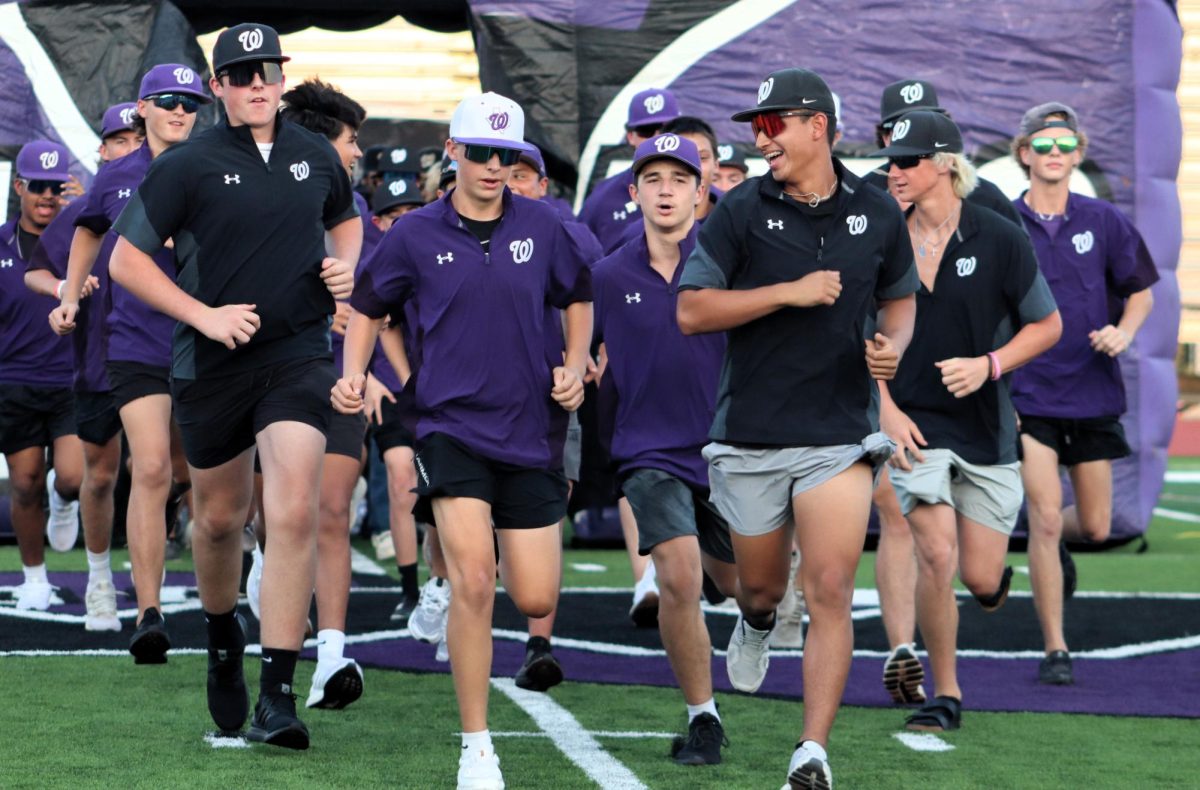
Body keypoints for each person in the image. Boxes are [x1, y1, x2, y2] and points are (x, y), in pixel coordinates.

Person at [109, 23, 360, 749]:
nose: (257, 84)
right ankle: (223, 637)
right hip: (210, 366)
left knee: (291, 510)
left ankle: (277, 695)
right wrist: (203, 316)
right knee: (219, 520)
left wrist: (343, 269)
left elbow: (344, 222)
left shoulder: (316, 154)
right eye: (240, 74)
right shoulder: (187, 164)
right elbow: (128, 260)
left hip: (299, 355)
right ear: (217, 87)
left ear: (284, 79)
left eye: (267, 72)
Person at [334, 91, 592, 790]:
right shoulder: (414, 233)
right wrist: (355, 376)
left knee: (534, 596)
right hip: (448, 427)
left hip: (533, 429)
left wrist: (573, 363)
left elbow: (578, 296)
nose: (491, 167)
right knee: (475, 578)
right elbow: (367, 306)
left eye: (505, 155)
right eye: (479, 152)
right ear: (453, 151)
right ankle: (476, 746)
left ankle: (471, 622)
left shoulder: (544, 223)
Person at [676, 68, 917, 789]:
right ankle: (752, 624)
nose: (760, 137)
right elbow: (691, 310)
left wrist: (892, 348)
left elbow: (900, 304)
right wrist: (790, 292)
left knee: (832, 587)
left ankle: (810, 753)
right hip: (751, 432)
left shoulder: (878, 211)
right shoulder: (741, 208)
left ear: (818, 125)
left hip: (838, 433)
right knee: (759, 591)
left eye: (772, 123)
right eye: (755, 126)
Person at [876, 110, 1061, 732]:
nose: (894, 172)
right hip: (912, 424)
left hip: (986, 424)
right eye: (891, 162)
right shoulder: (880, 234)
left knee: (979, 576)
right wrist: (886, 408)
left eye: (906, 162)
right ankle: (945, 694)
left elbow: (1048, 325)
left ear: (945, 164)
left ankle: (988, 586)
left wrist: (990, 366)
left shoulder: (999, 233)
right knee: (935, 552)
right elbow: (852, 332)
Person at [54, 65, 210, 661]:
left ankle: (233, 552)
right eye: (168, 101)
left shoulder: (218, 168)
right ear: (141, 108)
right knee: (146, 469)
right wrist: (70, 295)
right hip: (136, 342)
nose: (180, 111)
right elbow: (88, 231)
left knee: (185, 474)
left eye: (191, 103)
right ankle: (149, 612)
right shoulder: (115, 176)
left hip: (205, 337)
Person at [594, 133, 738, 764]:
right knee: (677, 575)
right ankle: (703, 717)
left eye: (679, 180)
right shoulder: (605, 273)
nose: (666, 191)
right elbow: (576, 346)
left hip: (731, 449)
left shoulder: (731, 262)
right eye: (653, 179)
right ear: (634, 193)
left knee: (745, 591)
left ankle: (754, 610)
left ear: (701, 193)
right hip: (648, 452)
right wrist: (578, 369)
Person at [1009, 102, 1158, 686]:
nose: (1053, 154)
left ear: (1078, 153)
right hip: (1028, 394)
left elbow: (1141, 291)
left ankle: (1055, 551)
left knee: (1095, 526)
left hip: (1093, 391)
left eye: (1064, 144)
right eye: (1042, 144)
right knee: (1044, 519)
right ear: (1024, 153)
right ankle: (1055, 648)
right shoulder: (1002, 221)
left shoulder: (1104, 219)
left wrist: (1126, 330)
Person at [275, 76, 372, 709]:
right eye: (351, 140)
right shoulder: (265, 200)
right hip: (270, 381)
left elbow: (379, 301)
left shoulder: (356, 213)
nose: (358, 153)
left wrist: (364, 347)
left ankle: (331, 656)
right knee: (273, 518)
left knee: (332, 510)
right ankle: (268, 580)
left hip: (340, 380)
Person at [29, 103, 141, 633]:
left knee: (178, 474)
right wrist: (67, 291)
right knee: (95, 474)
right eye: (117, 140)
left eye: (134, 137)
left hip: (167, 351)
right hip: (99, 354)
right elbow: (41, 269)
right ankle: (100, 582)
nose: (128, 147)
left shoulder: (183, 190)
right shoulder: (87, 206)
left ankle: (159, 570)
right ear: (101, 150)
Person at [1, 140, 84, 611]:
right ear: (19, 188)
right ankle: (34, 577)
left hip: (72, 379)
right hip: (14, 380)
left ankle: (65, 499)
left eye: (57, 187)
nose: (48, 196)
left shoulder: (82, 239)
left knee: (70, 477)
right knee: (26, 480)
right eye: (38, 187)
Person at [865, 79, 1022, 226]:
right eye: (904, 127)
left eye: (925, 125)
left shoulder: (988, 198)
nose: (914, 135)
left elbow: (1019, 250)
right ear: (886, 138)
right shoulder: (860, 196)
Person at [579, 88, 681, 253]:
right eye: (646, 130)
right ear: (630, 136)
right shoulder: (602, 198)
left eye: (667, 129)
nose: (658, 138)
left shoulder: (706, 195)